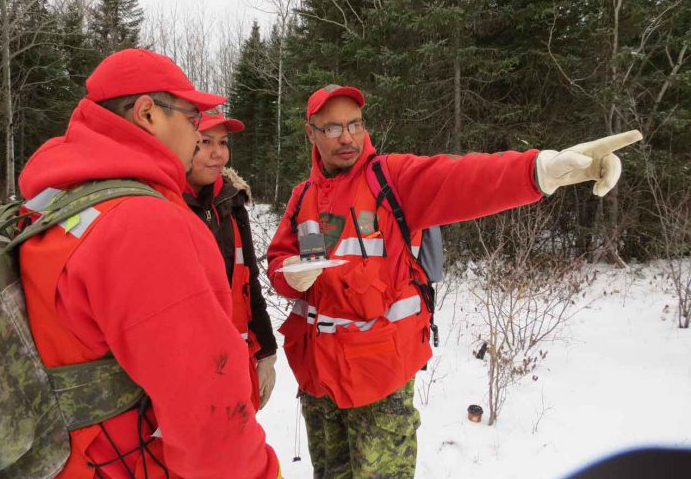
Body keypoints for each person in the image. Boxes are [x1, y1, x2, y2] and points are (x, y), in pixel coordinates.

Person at [266, 84, 641, 478]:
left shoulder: (391, 179)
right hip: (317, 377)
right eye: (332, 128)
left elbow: (464, 177)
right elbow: (279, 262)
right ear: (311, 133)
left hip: (379, 376)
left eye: (355, 124)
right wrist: (292, 276)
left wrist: (540, 170)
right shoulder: (302, 196)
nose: (347, 137)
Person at [17, 49, 280, 478]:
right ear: (147, 114)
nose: (199, 138)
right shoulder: (144, 224)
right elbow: (213, 428)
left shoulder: (52, 203)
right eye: (193, 120)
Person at [184, 110, 277, 411]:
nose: (218, 154)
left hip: (237, 362)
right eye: (204, 142)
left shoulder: (233, 205)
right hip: (187, 373)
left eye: (223, 143)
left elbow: (249, 281)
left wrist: (267, 353)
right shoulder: (162, 206)